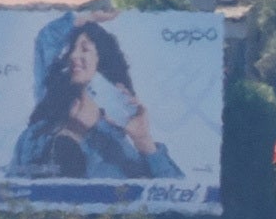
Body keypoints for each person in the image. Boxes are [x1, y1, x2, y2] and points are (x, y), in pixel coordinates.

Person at [10, 15, 174, 190]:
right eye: (71, 49)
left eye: (85, 49)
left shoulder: (118, 150)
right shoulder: (35, 137)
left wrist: (144, 141)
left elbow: (175, 195)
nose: (74, 55)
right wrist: (81, 17)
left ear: (101, 60)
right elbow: (10, 195)